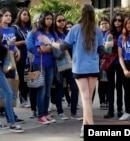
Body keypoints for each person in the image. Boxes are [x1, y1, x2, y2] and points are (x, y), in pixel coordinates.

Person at [38, 4, 106, 138]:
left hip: (79, 67)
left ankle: (89, 127)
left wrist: (49, 42)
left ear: (81, 14)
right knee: (88, 99)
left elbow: (63, 46)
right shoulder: (97, 29)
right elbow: (101, 49)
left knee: (85, 98)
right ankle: (85, 127)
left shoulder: (75, 29)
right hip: (93, 67)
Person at [0, 12, 24, 132]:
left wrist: (7, 45)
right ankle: (12, 123)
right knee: (8, 93)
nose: (2, 22)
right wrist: (8, 45)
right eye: (1, 20)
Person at [34, 11, 56, 125]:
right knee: (41, 91)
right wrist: (52, 46)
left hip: (51, 64)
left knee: (48, 91)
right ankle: (40, 115)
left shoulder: (53, 33)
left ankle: (46, 113)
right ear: (43, 20)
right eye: (47, 18)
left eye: (50, 19)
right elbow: (41, 49)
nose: (49, 21)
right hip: (41, 64)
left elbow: (59, 46)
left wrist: (49, 46)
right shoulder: (39, 33)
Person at [103, 13, 125, 119]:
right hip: (110, 61)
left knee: (119, 86)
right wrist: (106, 44)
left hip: (121, 62)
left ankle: (120, 109)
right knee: (110, 86)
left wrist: (115, 44)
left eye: (120, 20)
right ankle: (110, 110)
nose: (117, 22)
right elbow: (104, 45)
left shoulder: (125, 32)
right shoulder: (108, 32)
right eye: (115, 20)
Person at [12, 8, 31, 108]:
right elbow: (12, 43)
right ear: (19, 15)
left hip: (30, 56)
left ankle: (26, 96)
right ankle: (22, 97)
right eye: (24, 14)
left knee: (29, 77)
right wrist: (23, 42)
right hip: (20, 56)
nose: (26, 16)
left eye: (27, 15)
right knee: (22, 77)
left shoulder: (29, 28)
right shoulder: (15, 28)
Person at [26, 13, 40, 118]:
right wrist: (42, 50)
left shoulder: (45, 33)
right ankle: (33, 109)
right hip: (33, 64)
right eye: (39, 21)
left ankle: (41, 109)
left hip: (44, 63)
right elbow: (30, 47)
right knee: (33, 87)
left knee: (42, 87)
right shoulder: (31, 34)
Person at [97, 16, 109, 110]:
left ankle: (108, 100)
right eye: (102, 24)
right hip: (99, 62)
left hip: (110, 62)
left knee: (109, 83)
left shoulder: (111, 34)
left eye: (106, 23)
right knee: (101, 82)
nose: (104, 25)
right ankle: (102, 101)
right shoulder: (97, 35)